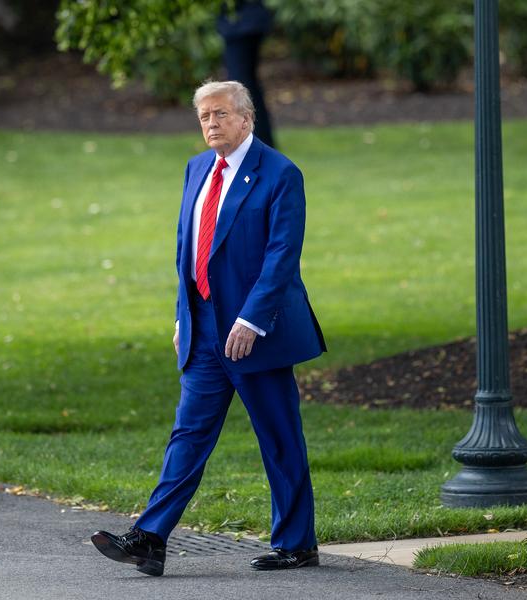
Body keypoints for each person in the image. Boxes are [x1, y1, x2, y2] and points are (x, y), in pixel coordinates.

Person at [91, 80, 326, 576]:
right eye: (204, 117)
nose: (212, 124)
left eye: (221, 114)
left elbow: (281, 257)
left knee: (279, 438)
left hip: (253, 335)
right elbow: (186, 250)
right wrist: (183, 314)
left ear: (246, 119)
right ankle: (150, 537)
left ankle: (297, 543)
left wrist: (252, 319)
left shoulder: (280, 174)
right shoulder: (196, 169)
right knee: (188, 436)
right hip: (203, 330)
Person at [218, 0, 276, 148]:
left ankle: (252, 138)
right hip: (244, 21)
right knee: (246, 83)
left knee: (240, 85)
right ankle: (257, 137)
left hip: (242, 23)